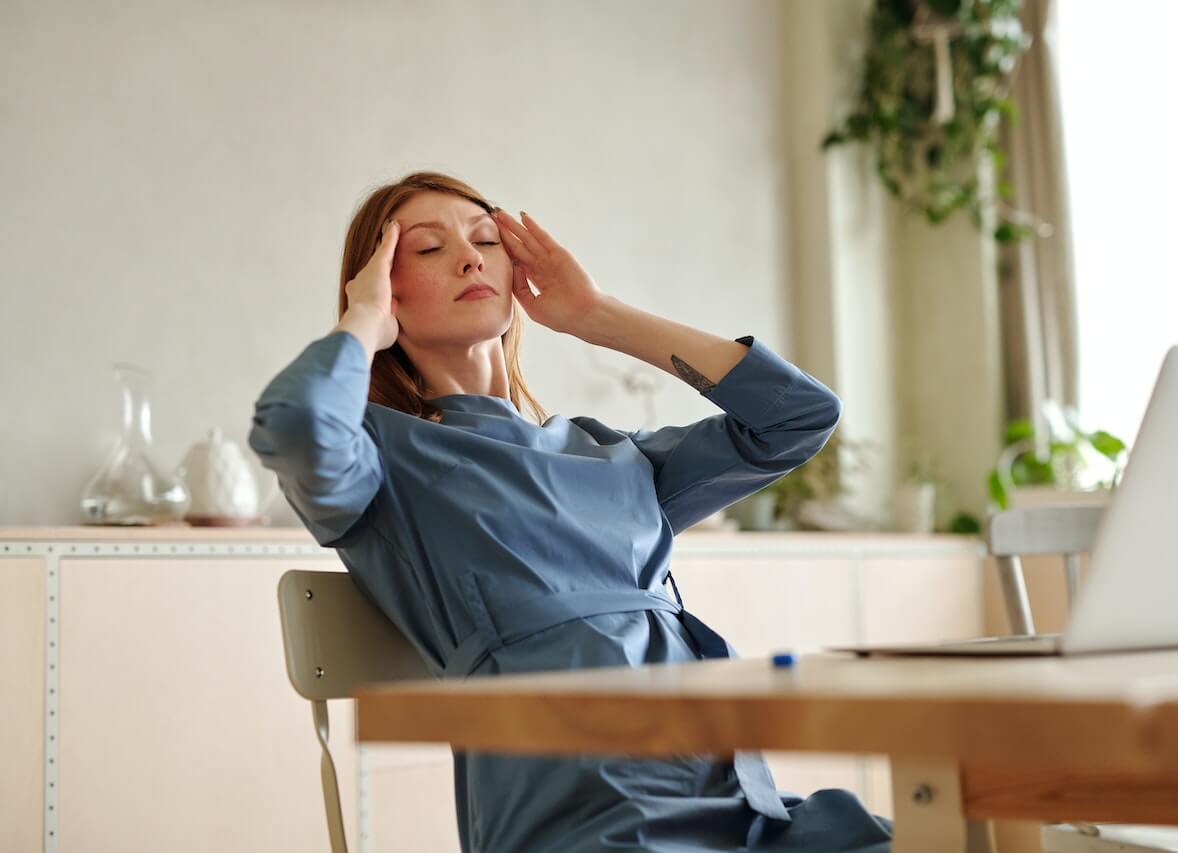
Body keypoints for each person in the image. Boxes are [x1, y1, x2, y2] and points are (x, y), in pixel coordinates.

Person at [248, 171, 892, 853]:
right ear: (381, 284)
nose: (470, 258)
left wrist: (596, 315)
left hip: (738, 800)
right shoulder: (381, 457)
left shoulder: (606, 451)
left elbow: (798, 418)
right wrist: (362, 322)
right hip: (584, 815)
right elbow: (293, 425)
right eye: (429, 249)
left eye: (487, 239)